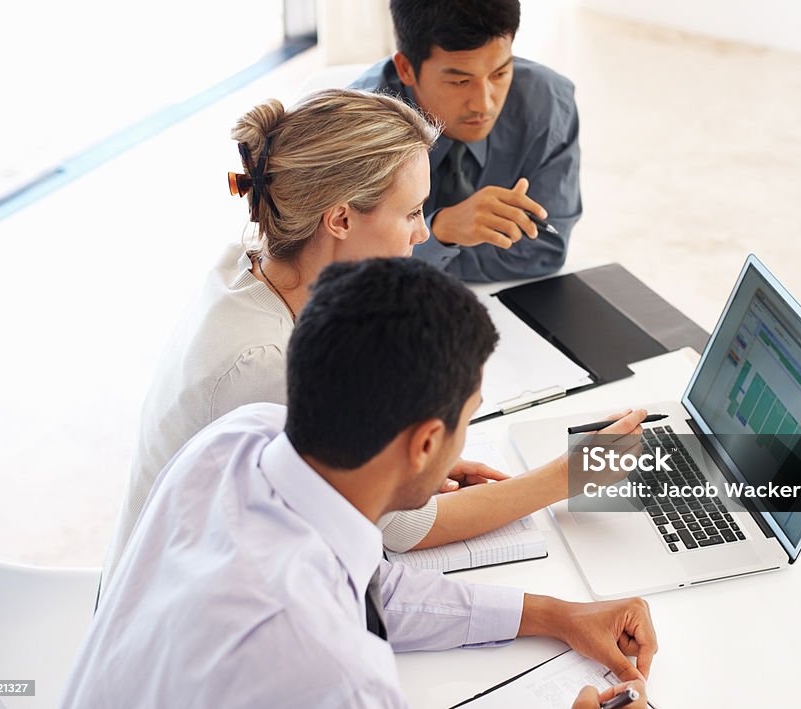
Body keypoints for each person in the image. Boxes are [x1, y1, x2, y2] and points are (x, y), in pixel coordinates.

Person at [103, 88, 640, 592]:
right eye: (410, 213)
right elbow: (404, 528)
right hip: (178, 621)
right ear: (338, 218)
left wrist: (411, 462)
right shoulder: (264, 364)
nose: (424, 233)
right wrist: (571, 474)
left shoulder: (258, 263)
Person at [61, 259, 654, 708]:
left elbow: (376, 592)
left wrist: (557, 614)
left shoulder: (239, 439)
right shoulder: (334, 672)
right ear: (424, 444)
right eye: (467, 419)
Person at [350, 0, 582, 282]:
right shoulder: (358, 133)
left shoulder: (549, 105)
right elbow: (352, 268)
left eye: (500, 73)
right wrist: (442, 233)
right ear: (405, 68)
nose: (484, 104)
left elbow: (546, 249)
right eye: (460, 82)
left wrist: (418, 253)